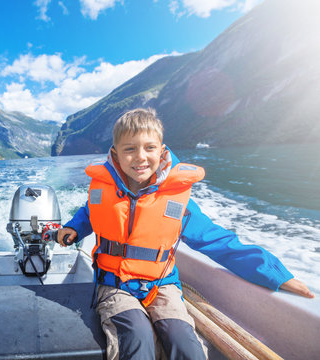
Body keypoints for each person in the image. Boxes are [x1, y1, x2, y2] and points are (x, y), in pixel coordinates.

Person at [57, 108, 314, 360]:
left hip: (162, 285)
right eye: (130, 149)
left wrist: (274, 274)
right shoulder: (104, 190)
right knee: (137, 338)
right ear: (115, 154)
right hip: (115, 284)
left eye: (149, 147)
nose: (140, 157)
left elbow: (216, 240)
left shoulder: (176, 201)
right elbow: (92, 212)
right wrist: (73, 228)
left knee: (185, 343)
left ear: (161, 150)